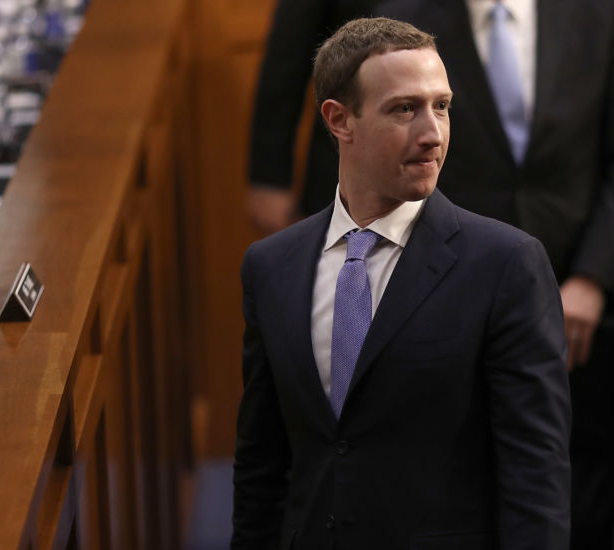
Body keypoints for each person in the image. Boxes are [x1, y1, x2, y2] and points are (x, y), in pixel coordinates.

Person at [248, 2, 614, 545]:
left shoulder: (507, 262)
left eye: (442, 107)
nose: (433, 133)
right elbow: (263, 466)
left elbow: (533, 475)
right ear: (338, 120)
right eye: (405, 109)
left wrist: (593, 273)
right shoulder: (273, 268)